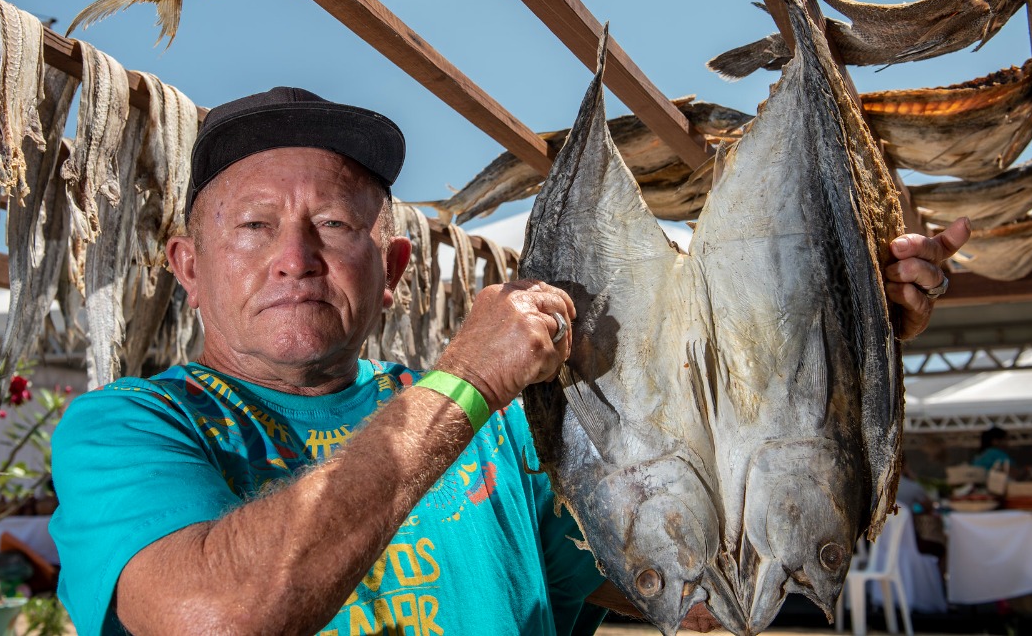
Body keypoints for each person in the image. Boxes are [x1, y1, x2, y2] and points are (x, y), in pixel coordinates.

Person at [49, 87, 970, 635]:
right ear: (188, 269)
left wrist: (845, 363)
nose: (297, 256)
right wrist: (471, 380)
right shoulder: (130, 428)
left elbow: (685, 578)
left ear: (395, 270)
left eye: (335, 225)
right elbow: (216, 619)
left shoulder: (509, 435)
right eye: (253, 227)